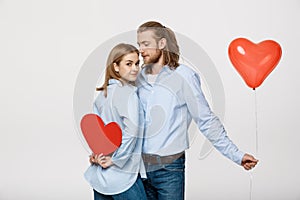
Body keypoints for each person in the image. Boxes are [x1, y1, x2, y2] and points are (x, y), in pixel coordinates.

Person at [136, 21, 259, 200]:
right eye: (139, 44)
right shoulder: (137, 77)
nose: (140, 49)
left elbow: (206, 120)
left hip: (169, 170)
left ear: (162, 44)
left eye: (145, 44)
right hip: (140, 169)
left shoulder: (184, 76)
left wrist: (236, 155)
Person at [84, 43, 147, 200]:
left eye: (137, 63)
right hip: (123, 178)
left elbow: (96, 133)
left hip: (101, 177)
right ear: (116, 67)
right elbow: (133, 130)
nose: (135, 68)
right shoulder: (128, 93)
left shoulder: (101, 96)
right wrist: (116, 160)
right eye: (129, 64)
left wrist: (96, 156)